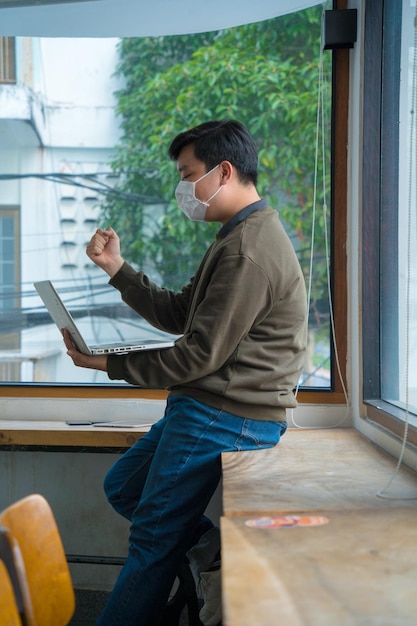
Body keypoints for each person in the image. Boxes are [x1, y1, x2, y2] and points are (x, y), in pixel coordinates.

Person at [63, 119, 307, 626]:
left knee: (152, 536)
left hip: (226, 414)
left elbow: (197, 356)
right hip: (204, 407)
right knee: (124, 488)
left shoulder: (248, 249)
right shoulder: (235, 234)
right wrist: (118, 269)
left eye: (187, 173)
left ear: (224, 171)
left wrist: (106, 364)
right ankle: (207, 552)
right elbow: (181, 314)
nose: (182, 188)